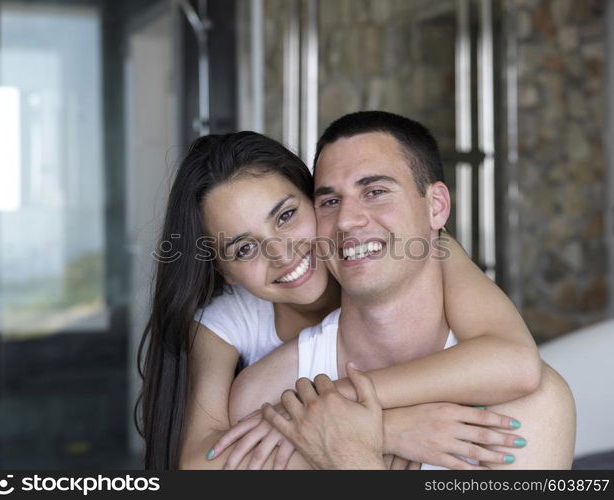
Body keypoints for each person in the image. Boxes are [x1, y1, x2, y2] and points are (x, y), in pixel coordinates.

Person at [136, 130, 544, 470]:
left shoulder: (414, 251)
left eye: (285, 217)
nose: (281, 254)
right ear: (224, 271)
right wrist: (387, 431)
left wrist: (343, 402)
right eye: (244, 249)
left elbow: (514, 360)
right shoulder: (230, 326)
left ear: (317, 201)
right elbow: (199, 464)